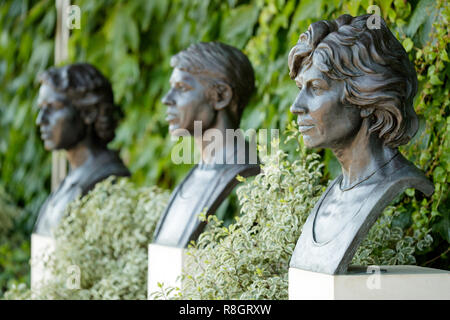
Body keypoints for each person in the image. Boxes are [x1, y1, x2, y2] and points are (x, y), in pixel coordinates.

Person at [288, 14, 434, 274]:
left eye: (317, 88)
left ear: (365, 95)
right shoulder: (336, 191)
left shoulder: (394, 183)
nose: (296, 106)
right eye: (300, 87)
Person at [153, 42, 260, 248]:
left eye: (182, 88)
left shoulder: (248, 178)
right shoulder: (197, 174)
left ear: (221, 96)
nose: (167, 99)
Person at [34, 63, 130, 237]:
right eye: (41, 109)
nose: (41, 120)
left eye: (53, 108)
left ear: (89, 113)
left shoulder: (106, 182)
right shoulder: (72, 179)